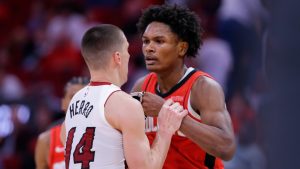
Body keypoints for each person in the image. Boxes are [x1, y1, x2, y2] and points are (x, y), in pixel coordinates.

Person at [60, 24, 188, 169]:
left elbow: (65, 138)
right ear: (118, 57)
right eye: (126, 50)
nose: (129, 55)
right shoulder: (125, 104)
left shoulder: (75, 100)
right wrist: (165, 130)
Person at [131, 4, 236, 169]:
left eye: (159, 41)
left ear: (181, 48)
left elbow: (226, 147)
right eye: (146, 41)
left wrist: (167, 112)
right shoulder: (141, 86)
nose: (149, 48)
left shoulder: (203, 87)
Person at [35, 76, 89, 169]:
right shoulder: (46, 140)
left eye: (86, 96)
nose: (79, 102)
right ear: (63, 103)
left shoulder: (108, 136)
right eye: (74, 96)